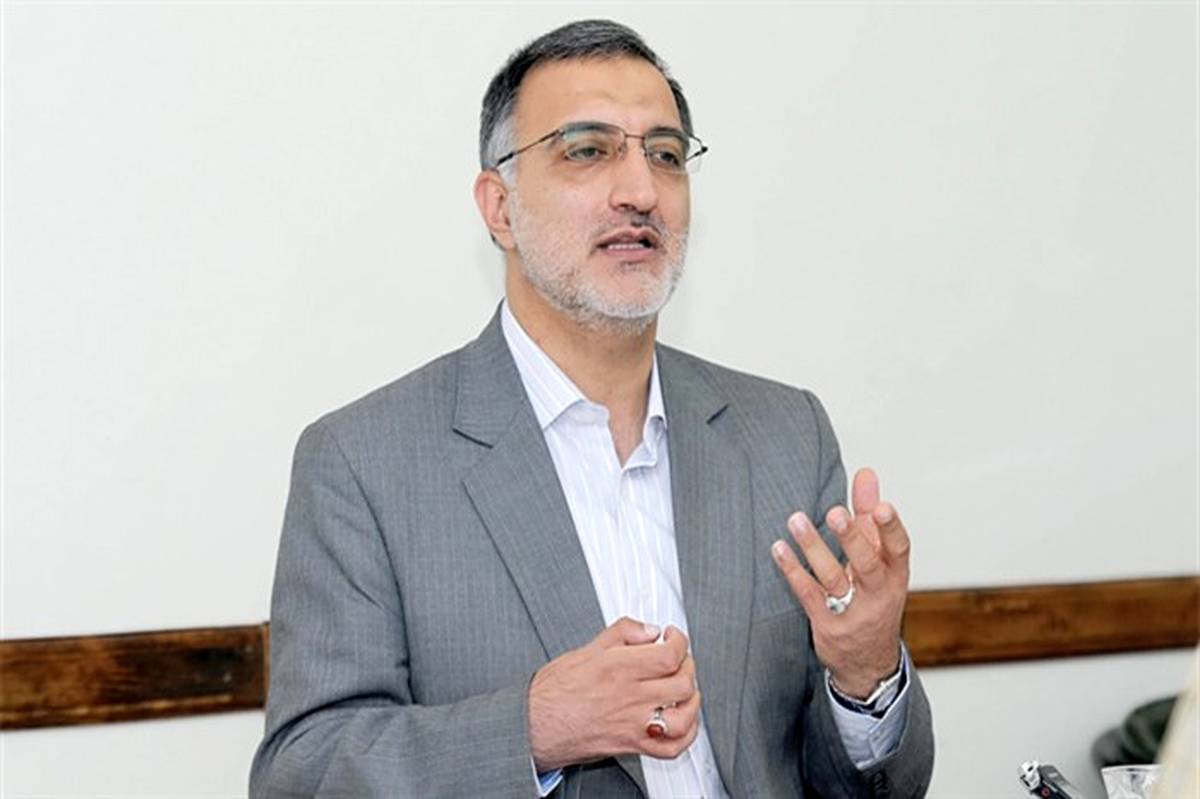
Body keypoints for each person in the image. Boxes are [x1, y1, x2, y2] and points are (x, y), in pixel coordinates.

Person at [250, 18, 934, 798]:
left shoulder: (785, 434)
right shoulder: (362, 463)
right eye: (587, 150)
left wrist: (865, 672)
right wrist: (534, 728)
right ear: (499, 208)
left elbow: (869, 784)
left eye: (665, 155)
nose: (640, 191)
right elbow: (301, 774)